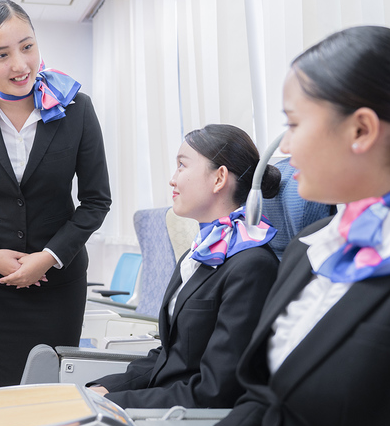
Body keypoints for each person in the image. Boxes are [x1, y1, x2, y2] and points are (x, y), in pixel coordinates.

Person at [194, 26, 390, 426]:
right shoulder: (309, 247)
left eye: (293, 124)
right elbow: (264, 400)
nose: (286, 148)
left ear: (361, 130)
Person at [0, 0, 111, 389]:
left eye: (28, 46)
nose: (20, 64)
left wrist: (48, 258)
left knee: (51, 393)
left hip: (59, 284)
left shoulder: (76, 108)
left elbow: (96, 200)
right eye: (1, 54)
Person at [88, 125, 280, 409]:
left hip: (178, 423)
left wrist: (115, 403)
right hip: (163, 402)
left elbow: (216, 391)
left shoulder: (252, 267)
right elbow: (172, 354)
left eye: (181, 165)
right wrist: (105, 389)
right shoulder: (201, 253)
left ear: (219, 178)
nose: (172, 180)